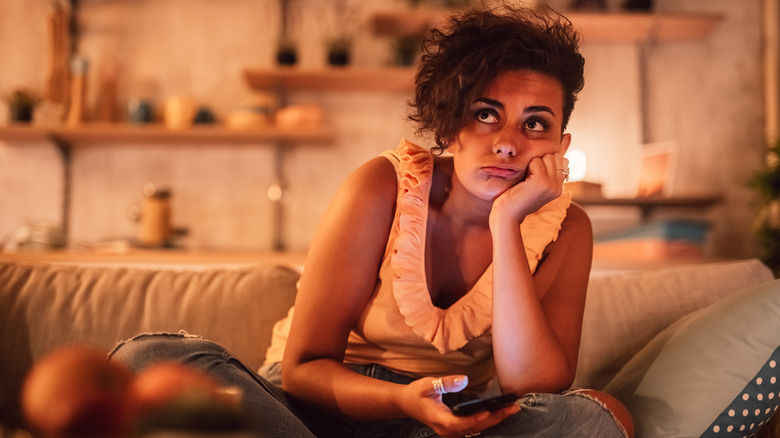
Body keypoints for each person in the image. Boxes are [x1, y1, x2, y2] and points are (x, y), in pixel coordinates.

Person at [110, 4, 634, 438]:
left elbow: (534, 384)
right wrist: (401, 400)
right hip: (309, 415)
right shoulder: (382, 186)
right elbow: (304, 369)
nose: (507, 142)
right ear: (451, 124)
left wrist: (507, 222)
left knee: (597, 418)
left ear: (560, 146)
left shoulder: (566, 229)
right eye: (485, 113)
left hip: (437, 425)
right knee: (152, 358)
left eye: (534, 123)